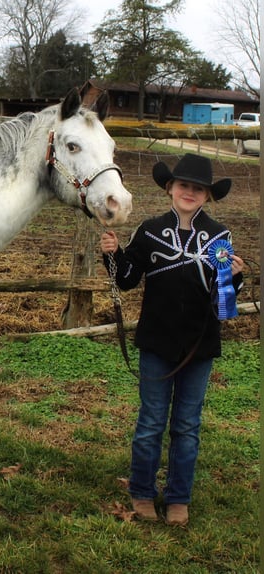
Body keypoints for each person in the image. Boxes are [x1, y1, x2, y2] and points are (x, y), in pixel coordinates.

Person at [100, 153, 244, 527]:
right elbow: (129, 279)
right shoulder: (148, 230)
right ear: (170, 188)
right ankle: (143, 491)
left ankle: (178, 497)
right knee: (150, 422)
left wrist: (235, 281)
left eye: (198, 189)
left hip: (199, 345)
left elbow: (223, 303)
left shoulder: (220, 237)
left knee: (187, 425)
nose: (190, 192)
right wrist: (113, 256)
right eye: (183, 185)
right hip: (157, 342)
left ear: (208, 196)